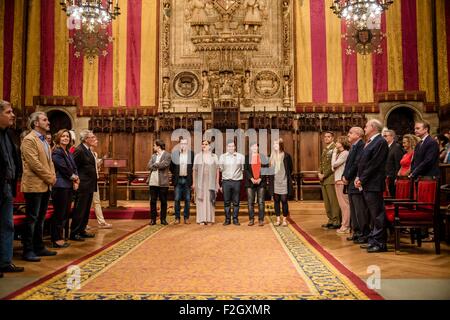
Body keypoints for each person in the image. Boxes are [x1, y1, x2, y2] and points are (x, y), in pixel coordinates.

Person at [21, 112, 57, 261]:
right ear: (36, 123)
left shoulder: (44, 141)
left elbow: (50, 162)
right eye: (44, 120)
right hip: (34, 185)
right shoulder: (29, 140)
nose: (48, 122)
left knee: (41, 218)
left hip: (45, 184)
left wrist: (53, 176)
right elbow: (34, 164)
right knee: (32, 218)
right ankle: (28, 250)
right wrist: (50, 178)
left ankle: (39, 246)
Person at [355, 119, 389, 253]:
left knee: (377, 214)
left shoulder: (380, 142)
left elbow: (374, 164)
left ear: (374, 127)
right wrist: (359, 177)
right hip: (368, 182)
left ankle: (380, 243)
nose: (364, 127)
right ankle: (373, 239)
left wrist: (362, 179)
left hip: (374, 183)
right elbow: (362, 162)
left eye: (367, 126)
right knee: (372, 214)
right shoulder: (371, 142)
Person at [0, 100, 24, 275]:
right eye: (8, 112)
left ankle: (5, 261)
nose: (13, 115)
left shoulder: (8, 134)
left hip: (7, 186)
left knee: (7, 225)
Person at [51, 129, 79, 248]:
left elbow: (74, 167)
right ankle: (56, 239)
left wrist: (77, 178)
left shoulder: (68, 152)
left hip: (68, 185)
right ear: (58, 138)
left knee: (65, 214)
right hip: (60, 186)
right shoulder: (57, 152)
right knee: (59, 214)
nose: (65, 138)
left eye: (67, 136)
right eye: (63, 136)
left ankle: (60, 236)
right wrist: (74, 178)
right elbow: (63, 168)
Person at [342, 127, 369, 244]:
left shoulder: (361, 145)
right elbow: (348, 164)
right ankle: (357, 232)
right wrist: (344, 175)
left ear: (358, 135)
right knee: (353, 210)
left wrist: (347, 177)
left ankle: (363, 233)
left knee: (359, 210)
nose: (348, 134)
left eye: (350, 133)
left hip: (355, 181)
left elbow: (357, 164)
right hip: (350, 182)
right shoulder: (353, 146)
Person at [70, 130, 97, 241]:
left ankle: (82, 230)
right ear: (86, 139)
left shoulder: (88, 149)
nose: (94, 138)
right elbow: (73, 166)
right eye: (92, 137)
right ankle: (74, 232)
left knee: (86, 210)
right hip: (83, 185)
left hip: (89, 185)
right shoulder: (79, 150)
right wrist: (75, 180)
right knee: (79, 210)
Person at [193, 140, 220, 225]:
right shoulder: (198, 156)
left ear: (210, 146)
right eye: (203, 144)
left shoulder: (214, 156)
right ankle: (201, 219)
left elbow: (217, 170)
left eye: (206, 144)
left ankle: (209, 219)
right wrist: (194, 183)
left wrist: (217, 182)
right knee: (201, 200)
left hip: (211, 181)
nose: (204, 146)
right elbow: (194, 170)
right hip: (200, 181)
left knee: (210, 199)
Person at [219, 140, 245, 226]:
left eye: (232, 146)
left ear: (235, 147)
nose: (231, 148)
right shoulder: (222, 157)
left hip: (236, 181)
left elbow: (242, 169)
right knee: (226, 202)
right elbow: (221, 169)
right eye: (229, 146)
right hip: (226, 181)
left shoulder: (240, 157)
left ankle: (235, 219)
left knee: (236, 201)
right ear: (226, 147)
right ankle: (227, 219)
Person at [268, 138, 294, 227]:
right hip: (275, 182)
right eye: (274, 144)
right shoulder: (271, 156)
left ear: (281, 145)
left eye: (276, 144)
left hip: (284, 181)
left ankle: (284, 219)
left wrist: (285, 178)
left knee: (284, 200)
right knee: (276, 201)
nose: (275, 145)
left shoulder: (287, 156)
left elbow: (290, 169)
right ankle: (278, 219)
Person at [319, 132, 341, 229]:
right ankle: (330, 219)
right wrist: (319, 173)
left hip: (330, 178)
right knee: (327, 202)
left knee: (333, 202)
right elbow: (322, 163)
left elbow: (332, 165)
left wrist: (324, 175)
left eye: (328, 137)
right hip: (324, 179)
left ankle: (336, 221)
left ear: (332, 138)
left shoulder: (335, 148)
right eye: (325, 137)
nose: (326, 138)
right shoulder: (325, 149)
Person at [170, 137, 195, 224]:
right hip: (178, 180)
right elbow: (171, 167)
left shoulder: (191, 154)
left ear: (187, 145)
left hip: (187, 180)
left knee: (187, 200)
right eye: (182, 143)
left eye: (185, 143)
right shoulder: (175, 154)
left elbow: (193, 167)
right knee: (177, 199)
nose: (183, 145)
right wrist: (176, 174)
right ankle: (177, 218)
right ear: (179, 144)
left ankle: (186, 217)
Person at [147, 139, 172, 225]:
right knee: (152, 201)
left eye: (154, 145)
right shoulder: (153, 156)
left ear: (158, 146)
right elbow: (149, 166)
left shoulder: (167, 155)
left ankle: (163, 219)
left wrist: (155, 165)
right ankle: (153, 220)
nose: (153, 147)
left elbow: (165, 164)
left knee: (163, 201)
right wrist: (157, 165)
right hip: (153, 181)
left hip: (163, 182)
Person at [245, 142, 268, 226]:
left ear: (258, 147)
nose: (254, 148)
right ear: (250, 148)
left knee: (261, 202)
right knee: (250, 202)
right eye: (253, 146)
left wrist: (260, 178)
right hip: (250, 183)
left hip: (261, 182)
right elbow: (246, 170)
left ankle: (261, 219)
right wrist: (251, 178)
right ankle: (251, 219)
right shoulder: (247, 157)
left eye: (256, 146)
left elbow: (265, 169)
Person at [332, 136, 350, 234]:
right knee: (342, 205)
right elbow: (333, 166)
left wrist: (334, 152)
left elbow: (334, 164)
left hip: (341, 181)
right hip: (338, 180)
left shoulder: (345, 153)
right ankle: (345, 225)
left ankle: (345, 226)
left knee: (345, 205)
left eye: (338, 141)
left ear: (342, 143)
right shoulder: (341, 153)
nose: (336, 142)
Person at [91, 142, 112, 229]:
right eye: (94, 139)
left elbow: (96, 165)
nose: (96, 141)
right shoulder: (84, 152)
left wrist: (102, 160)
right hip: (87, 181)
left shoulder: (94, 153)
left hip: (94, 179)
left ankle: (102, 222)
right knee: (86, 204)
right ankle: (83, 224)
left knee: (97, 201)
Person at [383, 129, 404, 197]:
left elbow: (398, 164)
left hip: (392, 177)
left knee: (392, 196)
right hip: (386, 176)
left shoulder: (396, 147)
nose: (384, 137)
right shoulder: (386, 147)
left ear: (392, 136)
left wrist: (396, 178)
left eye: (386, 136)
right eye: (383, 136)